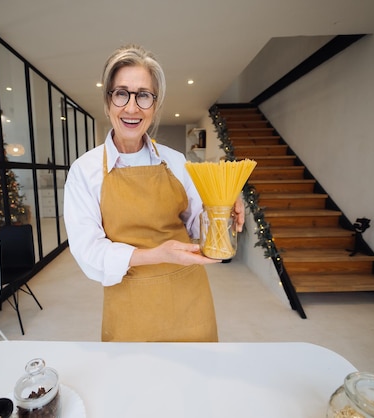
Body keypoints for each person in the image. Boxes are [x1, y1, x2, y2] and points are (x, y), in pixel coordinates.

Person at [64, 44, 245, 342]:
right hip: (129, 302)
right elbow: (88, 252)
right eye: (121, 93)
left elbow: (199, 221)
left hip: (190, 297)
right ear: (108, 101)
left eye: (143, 95)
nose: (132, 108)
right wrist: (156, 254)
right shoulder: (85, 171)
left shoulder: (176, 162)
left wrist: (222, 203)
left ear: (155, 105)